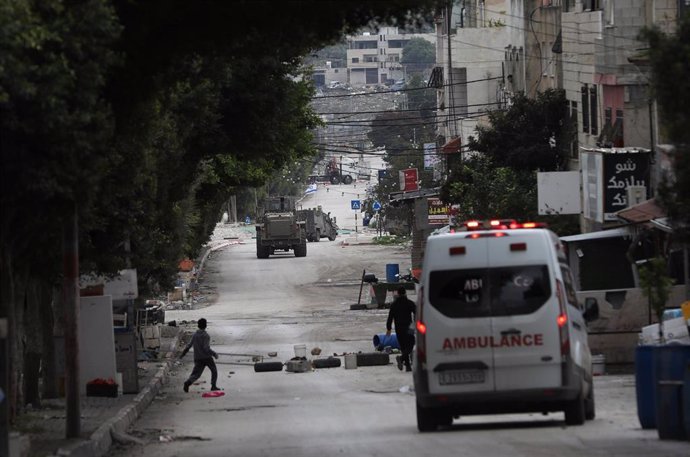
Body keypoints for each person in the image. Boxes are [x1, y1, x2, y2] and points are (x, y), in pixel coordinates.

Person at [180, 318, 220, 392]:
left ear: (198, 326)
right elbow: (206, 348)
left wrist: (183, 353)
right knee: (214, 370)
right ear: (205, 325)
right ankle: (213, 386)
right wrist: (214, 354)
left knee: (196, 374)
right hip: (207, 357)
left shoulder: (195, 335)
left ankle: (188, 383)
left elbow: (189, 345)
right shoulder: (206, 335)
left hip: (198, 357)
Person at [386, 287, 416, 372]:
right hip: (409, 327)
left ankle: (408, 366)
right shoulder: (409, 303)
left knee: (403, 346)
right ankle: (402, 359)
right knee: (411, 343)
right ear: (405, 293)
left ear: (398, 294)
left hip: (399, 328)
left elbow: (390, 318)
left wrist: (388, 329)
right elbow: (417, 313)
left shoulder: (394, 305)